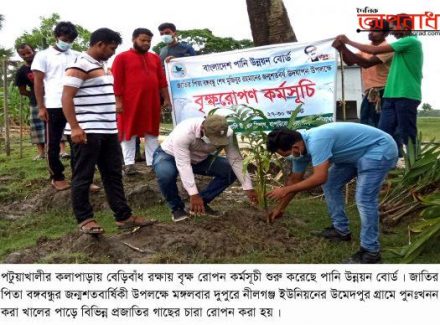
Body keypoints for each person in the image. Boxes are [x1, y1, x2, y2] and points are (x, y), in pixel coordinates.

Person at [62, 28, 153, 234]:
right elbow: (66, 97)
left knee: (113, 174)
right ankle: (85, 219)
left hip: (108, 129)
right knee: (83, 176)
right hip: (87, 130)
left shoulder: (102, 65)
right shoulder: (79, 64)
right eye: (111, 48)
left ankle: (123, 216)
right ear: (100, 44)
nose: (113, 52)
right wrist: (75, 127)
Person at [266, 123, 398, 263]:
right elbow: (295, 181)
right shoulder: (299, 151)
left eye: (286, 155)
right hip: (353, 155)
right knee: (331, 184)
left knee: (364, 199)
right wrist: (280, 209)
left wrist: (285, 190)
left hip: (379, 148)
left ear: (295, 148)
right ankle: (341, 231)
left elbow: (319, 177)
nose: (288, 158)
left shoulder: (317, 140)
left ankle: (371, 252)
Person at [336, 14, 423, 151]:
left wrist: (348, 42)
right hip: (390, 94)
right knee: (382, 132)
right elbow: (354, 60)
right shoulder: (398, 46)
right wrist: (342, 48)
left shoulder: (410, 41)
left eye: (394, 26)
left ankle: (414, 164)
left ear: (405, 26)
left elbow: (371, 56)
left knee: (405, 132)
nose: (393, 30)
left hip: (405, 93)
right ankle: (388, 162)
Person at [152, 115, 258, 222]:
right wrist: (193, 194)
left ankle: (201, 202)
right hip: (169, 155)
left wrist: (248, 187)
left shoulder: (227, 133)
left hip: (199, 158)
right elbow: (183, 165)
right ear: (203, 129)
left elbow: (235, 159)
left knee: (229, 170)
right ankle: (177, 209)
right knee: (165, 174)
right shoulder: (184, 133)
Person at [112, 28, 171, 174]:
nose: (146, 43)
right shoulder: (121, 57)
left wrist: (167, 98)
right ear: (134, 40)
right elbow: (116, 82)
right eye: (143, 40)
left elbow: (162, 81)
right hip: (129, 103)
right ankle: (129, 164)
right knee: (128, 131)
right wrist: (118, 102)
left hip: (151, 102)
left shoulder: (155, 57)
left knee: (152, 132)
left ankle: (152, 163)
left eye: (149, 41)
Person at [31, 21, 79, 191]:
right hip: (53, 104)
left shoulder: (76, 55)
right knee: (53, 142)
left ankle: (79, 177)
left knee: (78, 142)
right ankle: (56, 176)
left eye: (71, 39)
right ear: (57, 36)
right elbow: (38, 82)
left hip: (75, 105)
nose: (67, 42)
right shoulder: (43, 56)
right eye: (65, 38)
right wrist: (41, 107)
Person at [333, 19, 393, 127]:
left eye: (376, 30)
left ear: (386, 33)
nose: (371, 32)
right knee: (366, 124)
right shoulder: (366, 48)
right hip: (369, 93)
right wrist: (341, 49)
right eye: (370, 30)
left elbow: (366, 63)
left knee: (381, 125)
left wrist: (344, 46)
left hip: (383, 93)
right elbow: (350, 61)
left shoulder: (387, 48)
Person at [15, 44, 46, 160]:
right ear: (20, 55)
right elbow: (22, 91)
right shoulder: (21, 72)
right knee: (37, 127)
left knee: (55, 124)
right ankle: (41, 153)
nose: (27, 55)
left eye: (29, 52)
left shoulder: (44, 64)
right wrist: (34, 95)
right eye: (23, 54)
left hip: (52, 99)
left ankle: (62, 151)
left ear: (33, 50)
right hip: (35, 103)